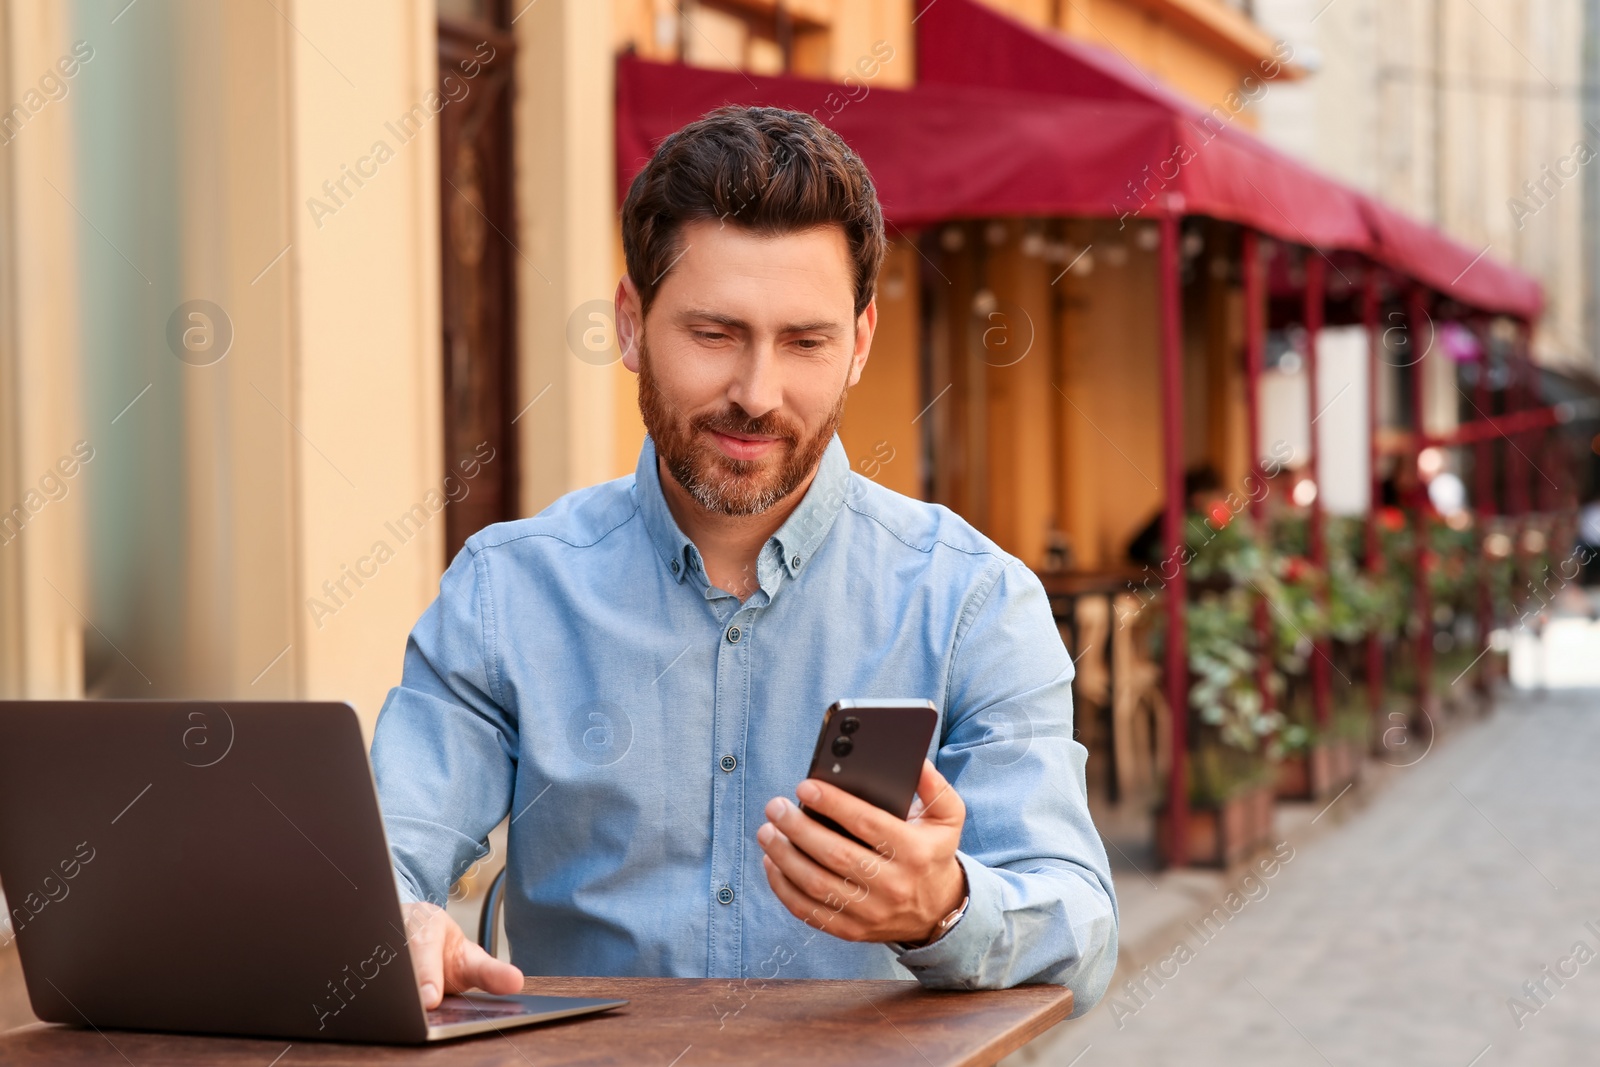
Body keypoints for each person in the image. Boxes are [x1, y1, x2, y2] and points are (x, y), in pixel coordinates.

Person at [370, 105, 1117, 1015]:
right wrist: (394, 919)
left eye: (806, 341)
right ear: (631, 323)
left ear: (861, 343)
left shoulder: (974, 601)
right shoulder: (506, 591)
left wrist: (946, 907)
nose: (757, 395)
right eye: (715, 334)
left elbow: (1083, 934)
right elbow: (376, 858)